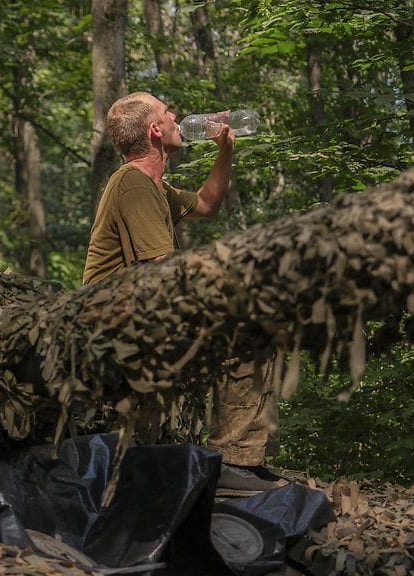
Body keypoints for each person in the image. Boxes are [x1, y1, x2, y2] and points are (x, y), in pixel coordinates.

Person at [83, 91, 286, 496]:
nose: (175, 115)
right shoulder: (133, 185)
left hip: (136, 309)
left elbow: (207, 204)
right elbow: (167, 270)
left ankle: (242, 463)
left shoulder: (155, 188)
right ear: (155, 131)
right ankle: (232, 465)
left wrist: (225, 151)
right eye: (166, 111)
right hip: (112, 322)